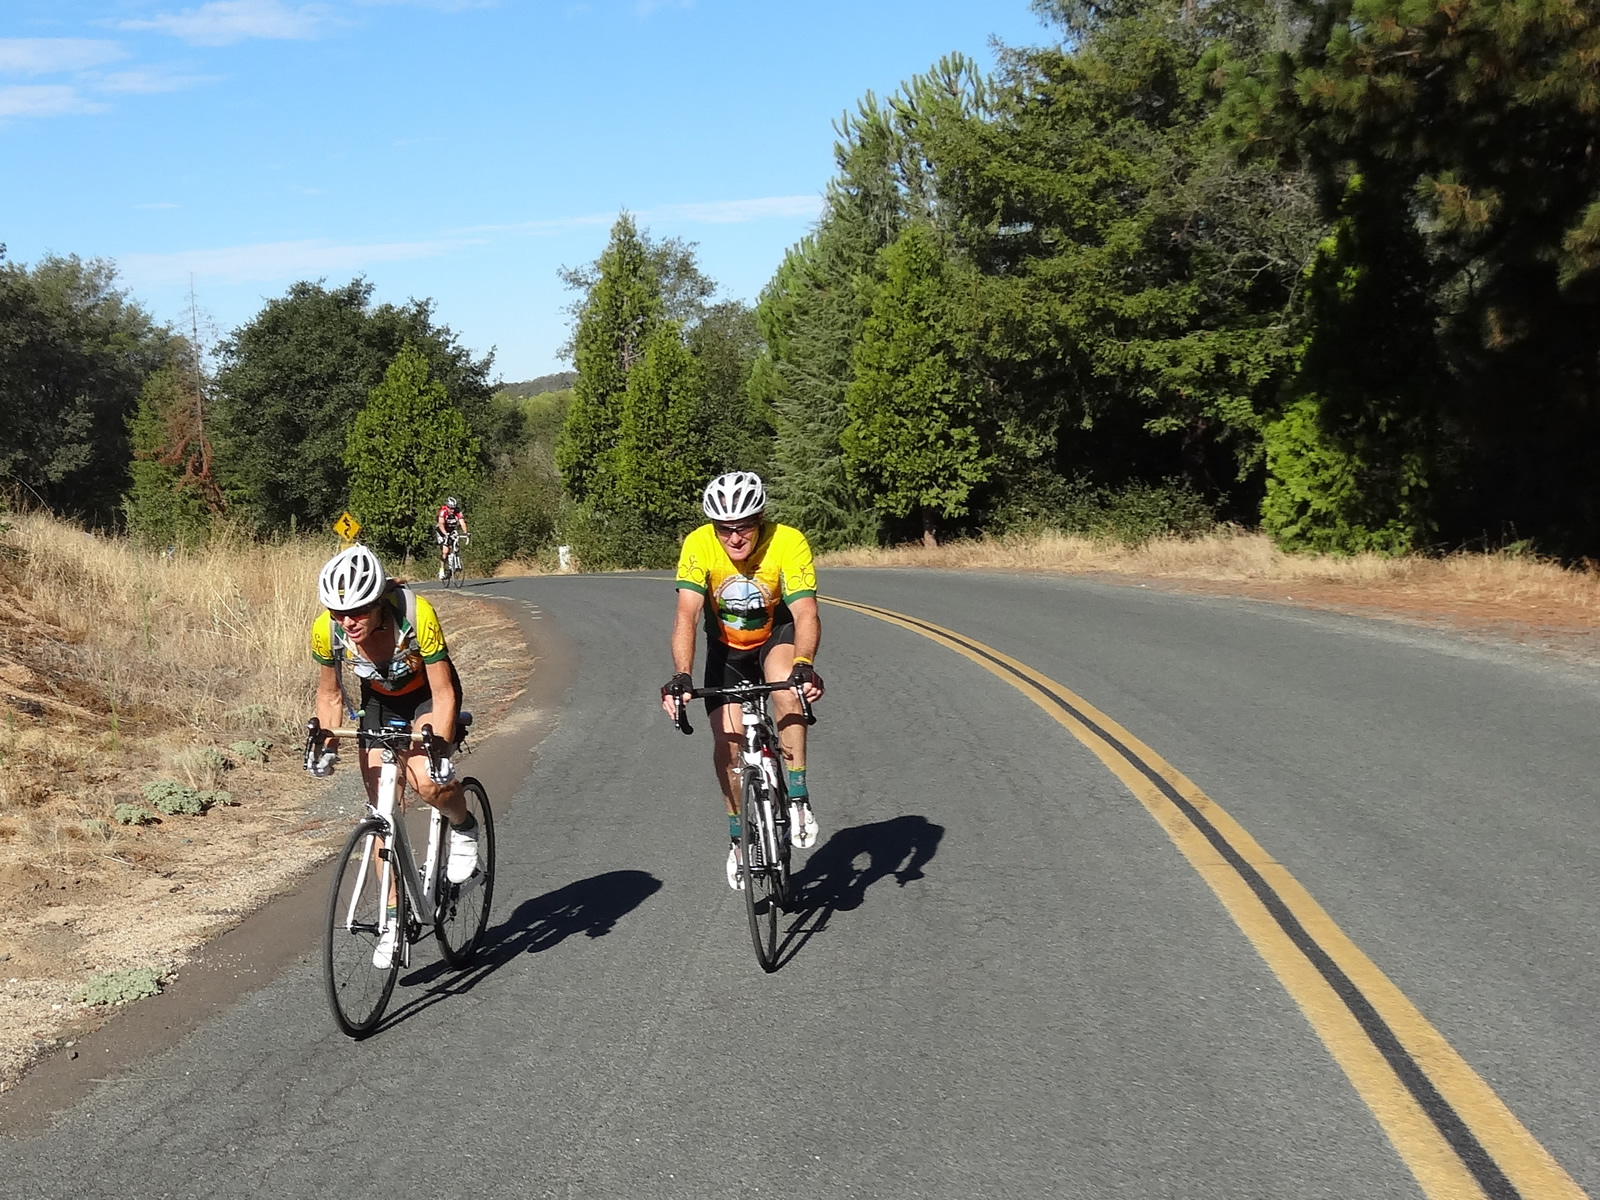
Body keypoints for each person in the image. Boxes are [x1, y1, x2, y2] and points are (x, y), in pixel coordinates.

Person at [308, 543, 479, 966]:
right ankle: (392, 916)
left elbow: (444, 692)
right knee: (381, 810)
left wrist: (439, 751)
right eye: (338, 612)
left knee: (427, 782)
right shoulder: (326, 630)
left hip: (427, 696)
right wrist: (327, 745)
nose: (347, 622)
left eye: (358, 611)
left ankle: (464, 824)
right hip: (380, 702)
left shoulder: (416, 615)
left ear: (378, 602)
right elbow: (330, 694)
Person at [660, 471, 825, 889]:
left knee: (786, 686)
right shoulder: (699, 544)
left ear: (761, 519)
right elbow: (686, 614)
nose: (734, 538)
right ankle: (738, 838)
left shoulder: (787, 541)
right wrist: (681, 676)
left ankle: (798, 794)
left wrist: (804, 664)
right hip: (726, 650)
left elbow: (805, 612)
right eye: (724, 529)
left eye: (744, 527)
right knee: (727, 744)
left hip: (775, 638)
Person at [436, 496, 468, 580]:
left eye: (453, 508)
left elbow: (462, 523)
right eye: (450, 508)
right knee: (445, 551)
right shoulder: (443, 512)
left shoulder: (458, 511)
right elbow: (441, 523)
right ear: (447, 506)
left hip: (451, 530)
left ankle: (455, 560)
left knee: (456, 540)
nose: (452, 510)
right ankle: (442, 569)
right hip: (441, 530)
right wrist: (445, 534)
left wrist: (466, 533)